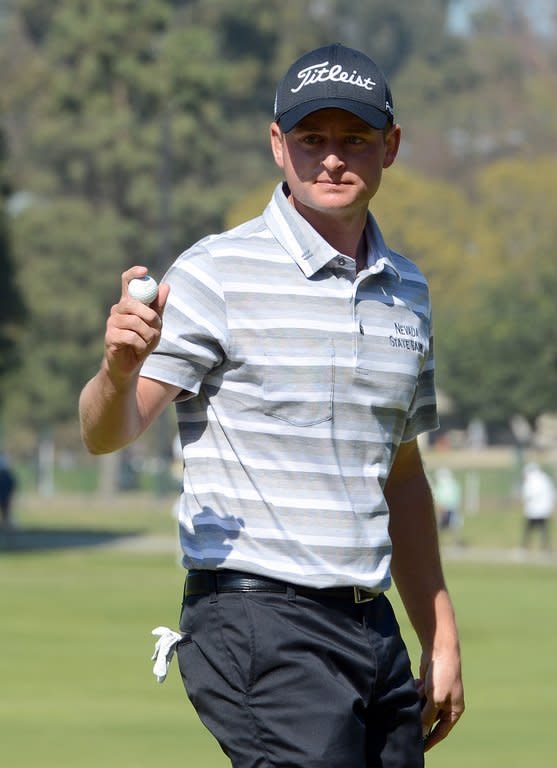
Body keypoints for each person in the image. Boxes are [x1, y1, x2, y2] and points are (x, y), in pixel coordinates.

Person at [79, 43, 464, 768]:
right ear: (277, 145)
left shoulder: (406, 292)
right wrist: (116, 372)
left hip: (369, 623)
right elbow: (109, 431)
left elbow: (402, 474)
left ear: (390, 146)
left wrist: (438, 634)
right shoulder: (215, 272)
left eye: (353, 139)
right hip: (257, 617)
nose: (331, 159)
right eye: (311, 139)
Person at [521, 462, 555, 551]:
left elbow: (528, 494)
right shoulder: (545, 479)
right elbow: (552, 493)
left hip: (533, 510)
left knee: (528, 530)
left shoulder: (532, 481)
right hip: (545, 509)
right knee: (544, 530)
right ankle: (545, 548)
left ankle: (525, 548)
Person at [0, 452, 17, 530]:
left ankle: (6, 525)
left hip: (5, 494)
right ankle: (6, 524)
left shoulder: (7, 474)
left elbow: (12, 485)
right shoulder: (7, 474)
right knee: (6, 511)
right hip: (6, 494)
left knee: (6, 511)